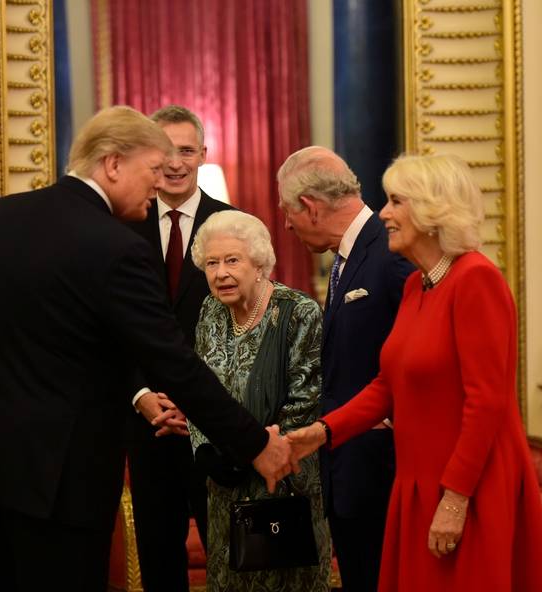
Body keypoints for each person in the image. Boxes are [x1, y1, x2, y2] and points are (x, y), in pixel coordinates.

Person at [0, 106, 294, 592]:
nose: (158, 185)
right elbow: (174, 363)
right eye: (153, 171)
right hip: (59, 480)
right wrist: (257, 444)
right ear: (113, 164)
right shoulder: (116, 246)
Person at [287, 154, 542, 591]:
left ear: (433, 211)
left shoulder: (477, 280)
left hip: (469, 484)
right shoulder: (416, 284)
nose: (384, 213)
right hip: (417, 481)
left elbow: (488, 401)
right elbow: (388, 385)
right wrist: (322, 432)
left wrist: (456, 497)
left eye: (396, 201)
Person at [277, 146, 413, 591]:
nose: (286, 223)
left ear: (311, 207)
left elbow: (413, 359)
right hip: (350, 469)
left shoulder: (390, 251)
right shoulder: (347, 256)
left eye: (287, 211)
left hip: (382, 472)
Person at [187, 210, 332, 592]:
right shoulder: (210, 312)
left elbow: (306, 400)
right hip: (223, 489)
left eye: (232, 260)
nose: (220, 274)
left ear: (259, 263)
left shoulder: (298, 313)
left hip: (283, 483)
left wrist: (249, 450)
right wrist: (205, 451)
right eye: (212, 263)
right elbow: (199, 390)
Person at [122, 105, 233, 591]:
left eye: (185, 150)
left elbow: (249, 328)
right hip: (145, 423)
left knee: (228, 559)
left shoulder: (233, 225)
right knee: (159, 562)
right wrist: (142, 395)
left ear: (203, 155)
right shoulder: (120, 225)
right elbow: (107, 327)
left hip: (213, 425)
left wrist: (199, 404)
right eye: (164, 151)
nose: (174, 162)